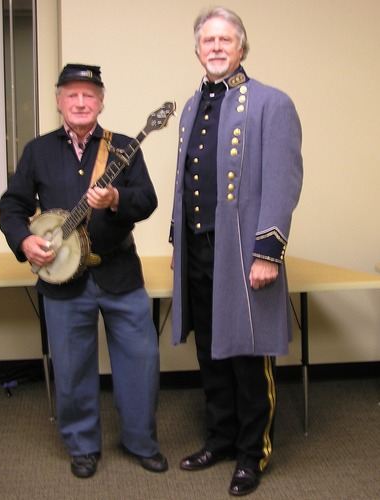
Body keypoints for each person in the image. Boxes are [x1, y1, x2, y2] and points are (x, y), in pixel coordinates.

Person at [0, 63, 168, 478]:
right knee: (72, 366)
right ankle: (82, 446)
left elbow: (147, 200)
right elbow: (12, 207)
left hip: (119, 272)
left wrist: (115, 198)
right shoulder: (38, 150)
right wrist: (24, 240)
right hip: (62, 278)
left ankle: (141, 442)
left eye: (88, 95)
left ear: (101, 101)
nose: (80, 102)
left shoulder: (125, 146)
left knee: (141, 361)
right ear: (59, 101)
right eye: (71, 94)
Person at [169, 7, 303, 496]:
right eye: (209, 40)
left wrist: (268, 251)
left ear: (242, 48)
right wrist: (177, 243)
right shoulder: (190, 107)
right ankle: (221, 439)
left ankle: (253, 453)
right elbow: (186, 183)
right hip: (199, 251)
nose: (218, 47)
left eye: (227, 39)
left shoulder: (272, 103)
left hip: (245, 253)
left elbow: (283, 185)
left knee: (248, 355)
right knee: (211, 352)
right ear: (198, 50)